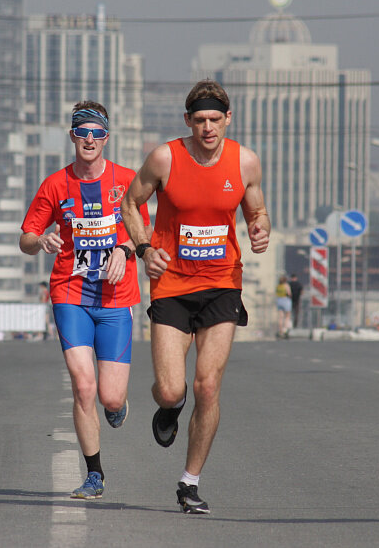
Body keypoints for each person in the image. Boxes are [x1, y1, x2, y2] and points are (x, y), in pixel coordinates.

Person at [121, 79, 270, 514]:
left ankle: (190, 482)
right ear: (188, 121)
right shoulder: (165, 158)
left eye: (215, 120)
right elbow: (131, 203)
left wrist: (260, 228)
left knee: (208, 385)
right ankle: (171, 407)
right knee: (171, 389)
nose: (208, 128)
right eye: (200, 120)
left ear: (228, 119)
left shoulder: (245, 162)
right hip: (171, 285)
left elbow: (256, 210)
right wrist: (145, 249)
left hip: (222, 282)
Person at [19, 100, 151, 500]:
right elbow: (25, 238)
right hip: (70, 293)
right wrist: (40, 240)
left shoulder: (128, 180)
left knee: (109, 396)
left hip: (116, 298)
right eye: (82, 132)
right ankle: (94, 475)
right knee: (83, 385)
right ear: (73, 136)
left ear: (106, 137)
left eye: (97, 133)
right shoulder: (55, 185)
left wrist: (125, 250)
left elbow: (144, 231)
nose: (89, 140)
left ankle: (116, 405)